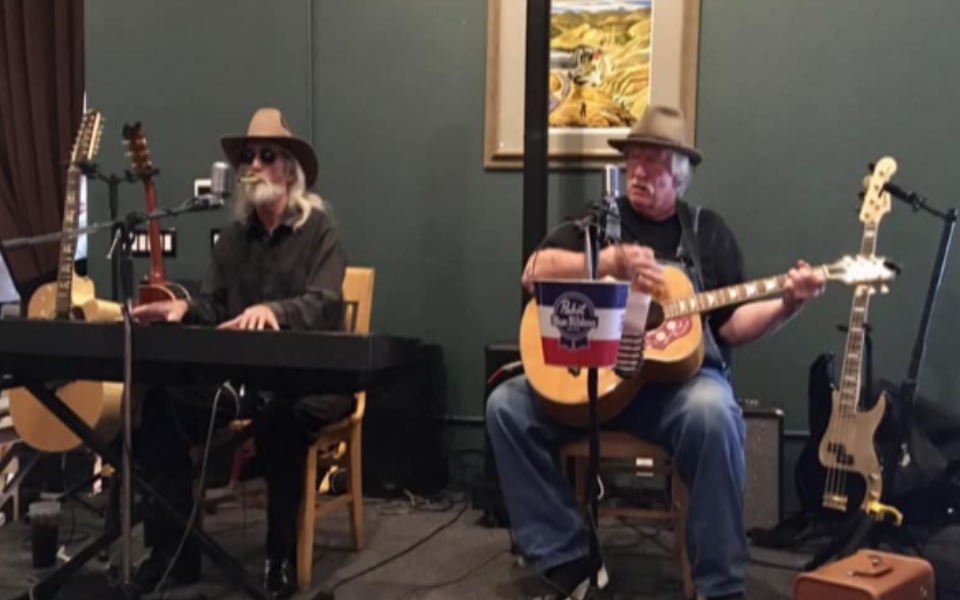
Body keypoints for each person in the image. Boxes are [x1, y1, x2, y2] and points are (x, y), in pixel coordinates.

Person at [486, 105, 827, 600]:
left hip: (675, 392)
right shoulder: (596, 222)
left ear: (680, 177)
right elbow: (535, 271)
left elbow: (730, 326)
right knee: (506, 407)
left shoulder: (709, 233)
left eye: (655, 163)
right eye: (634, 161)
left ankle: (720, 586)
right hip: (595, 385)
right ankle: (568, 558)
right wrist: (609, 261)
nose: (639, 172)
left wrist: (787, 306)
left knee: (713, 413)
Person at [131, 107, 352, 600]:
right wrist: (181, 309)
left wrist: (274, 311)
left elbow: (323, 302)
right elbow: (214, 304)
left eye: (265, 155)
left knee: (282, 419)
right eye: (246, 156)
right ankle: (171, 552)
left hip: (308, 382)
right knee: (164, 405)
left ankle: (279, 557)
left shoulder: (321, 231)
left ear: (289, 170)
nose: (252, 164)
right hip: (242, 381)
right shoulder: (233, 239)